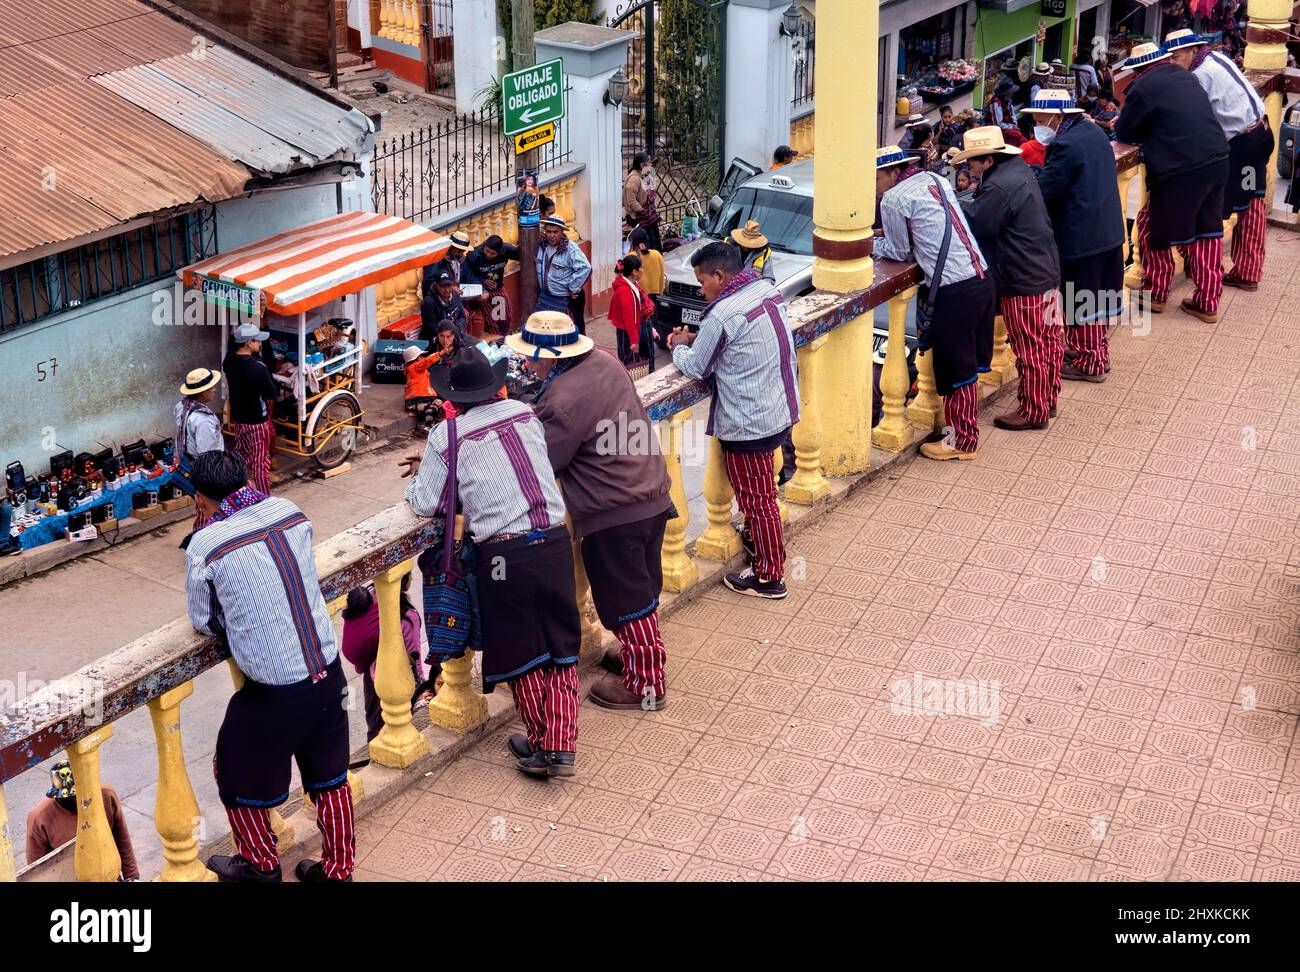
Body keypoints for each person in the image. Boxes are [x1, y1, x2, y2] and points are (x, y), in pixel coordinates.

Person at [402, 347, 581, 778]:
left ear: (454, 399)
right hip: (555, 541)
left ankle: (545, 745)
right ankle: (561, 744)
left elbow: (425, 501)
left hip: (505, 556)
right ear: (493, 386)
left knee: (522, 651)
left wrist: (423, 479)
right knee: (559, 645)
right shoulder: (523, 413)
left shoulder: (447, 437)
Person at [186, 450, 354, 882]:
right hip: (327, 670)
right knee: (330, 775)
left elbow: (204, 622)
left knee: (232, 769)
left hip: (276, 692)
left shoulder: (207, 542)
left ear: (201, 499)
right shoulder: (290, 511)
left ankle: (260, 865)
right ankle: (339, 870)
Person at [509, 313, 673, 710]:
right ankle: (638, 657)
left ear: (552, 356)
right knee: (643, 590)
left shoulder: (562, 400)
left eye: (533, 357)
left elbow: (545, 460)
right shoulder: (604, 361)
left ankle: (647, 684)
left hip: (614, 508)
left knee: (627, 600)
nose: (528, 365)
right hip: (650, 490)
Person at [668, 242, 799, 598]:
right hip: (780, 408)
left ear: (719, 276)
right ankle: (762, 548)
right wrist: (700, 340)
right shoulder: (763, 289)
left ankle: (770, 576)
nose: (700, 288)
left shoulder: (722, 314)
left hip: (749, 422)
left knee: (759, 500)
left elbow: (696, 366)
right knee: (763, 495)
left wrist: (680, 345)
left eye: (701, 280)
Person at [874, 145, 994, 461]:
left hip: (955, 292)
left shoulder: (894, 199)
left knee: (958, 371)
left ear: (891, 173)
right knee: (965, 368)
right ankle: (961, 434)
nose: (873, 186)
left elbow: (899, 252)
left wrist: (871, 242)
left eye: (875, 178)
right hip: (981, 277)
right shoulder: (933, 179)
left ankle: (962, 442)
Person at [1115, 42, 1230, 323]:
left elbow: (1125, 130)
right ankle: (1208, 301)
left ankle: (1155, 293)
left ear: (1137, 69)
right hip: (1217, 158)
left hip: (1181, 168)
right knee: (1207, 231)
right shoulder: (1185, 75)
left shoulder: (1142, 87)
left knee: (1151, 228)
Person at [957, 126, 1062, 431]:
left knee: (1030, 346)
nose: (970, 169)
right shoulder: (1019, 171)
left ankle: (1034, 411)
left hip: (1023, 277)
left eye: (972, 163)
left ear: (988, 160)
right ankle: (1047, 398)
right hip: (1045, 269)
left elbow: (978, 223)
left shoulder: (999, 187)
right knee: (1049, 340)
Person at [1166, 29, 1274, 294]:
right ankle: (1248, 271)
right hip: (1260, 135)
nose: (1172, 62)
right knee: (1252, 199)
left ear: (1192, 51)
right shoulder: (1218, 58)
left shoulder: (1196, 78)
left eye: (1175, 56)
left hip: (1241, 146)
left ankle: (1203, 270)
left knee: (1211, 209)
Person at [1030, 89, 1126, 383]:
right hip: (1106, 231)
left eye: (1041, 119)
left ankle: (1090, 362)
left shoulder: (1065, 145)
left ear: (1057, 117)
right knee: (1098, 299)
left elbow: (1047, 191)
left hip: (1082, 238)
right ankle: (1096, 352)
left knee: (1082, 301)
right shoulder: (1093, 132)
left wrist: (1032, 175)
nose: (1038, 126)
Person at [340, 580, 435, 743]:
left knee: (374, 724)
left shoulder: (373, 597)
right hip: (392, 677)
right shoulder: (406, 616)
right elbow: (414, 654)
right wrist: (421, 686)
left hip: (371, 674)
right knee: (395, 724)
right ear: (403, 582)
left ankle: (373, 754)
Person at [26, 760, 140, 880]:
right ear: (58, 796)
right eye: (71, 797)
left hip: (108, 873)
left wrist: (132, 877)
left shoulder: (106, 796)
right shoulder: (38, 819)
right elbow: (37, 872)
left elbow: (122, 839)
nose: (78, 799)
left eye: (81, 793)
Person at [221, 322, 277, 495]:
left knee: (243, 458)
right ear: (248, 343)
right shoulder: (257, 369)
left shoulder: (229, 362)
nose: (260, 344)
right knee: (260, 464)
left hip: (239, 419)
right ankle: (263, 501)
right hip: (257, 422)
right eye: (257, 341)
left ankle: (240, 495)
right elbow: (271, 393)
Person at [174, 367, 225, 531]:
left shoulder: (181, 406)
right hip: (204, 469)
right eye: (211, 387)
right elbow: (207, 453)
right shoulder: (203, 419)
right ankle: (203, 540)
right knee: (209, 509)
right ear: (202, 392)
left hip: (188, 462)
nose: (214, 389)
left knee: (201, 505)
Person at [535, 215, 591, 334]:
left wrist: (573, 288)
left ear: (562, 232)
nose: (551, 235)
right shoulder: (541, 246)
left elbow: (585, 268)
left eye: (555, 232)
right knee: (548, 332)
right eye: (548, 231)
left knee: (572, 331)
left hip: (567, 299)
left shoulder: (571, 249)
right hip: (546, 298)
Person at [462, 234, 521, 332]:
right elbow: (467, 276)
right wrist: (482, 281)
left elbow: (521, 254)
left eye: (493, 253)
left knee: (504, 317)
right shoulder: (473, 255)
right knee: (491, 321)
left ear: (500, 251)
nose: (489, 255)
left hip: (497, 290)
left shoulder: (506, 250)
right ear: (484, 245)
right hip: (480, 293)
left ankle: (504, 338)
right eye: (487, 251)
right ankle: (496, 342)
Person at [608, 253, 657, 370]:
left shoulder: (632, 285)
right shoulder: (625, 291)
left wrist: (651, 330)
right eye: (641, 268)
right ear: (634, 272)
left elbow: (640, 311)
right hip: (629, 333)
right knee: (631, 365)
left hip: (637, 329)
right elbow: (629, 318)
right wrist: (634, 341)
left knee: (639, 364)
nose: (642, 270)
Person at [420, 269, 468, 342]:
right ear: (436, 286)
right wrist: (451, 334)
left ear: (453, 285)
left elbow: (462, 316)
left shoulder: (455, 294)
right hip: (439, 339)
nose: (447, 290)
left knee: (476, 345)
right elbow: (432, 329)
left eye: (449, 285)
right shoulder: (429, 303)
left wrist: (457, 330)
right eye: (442, 286)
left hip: (457, 334)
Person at [422, 231, 471, 296]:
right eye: (459, 251)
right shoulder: (437, 259)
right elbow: (429, 283)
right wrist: (450, 288)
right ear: (451, 247)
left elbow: (468, 275)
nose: (461, 254)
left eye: (463, 251)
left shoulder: (458, 257)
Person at [628, 227, 665, 301]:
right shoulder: (657, 254)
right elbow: (662, 276)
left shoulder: (630, 257)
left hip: (638, 296)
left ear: (632, 242)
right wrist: (660, 292)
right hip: (655, 296)